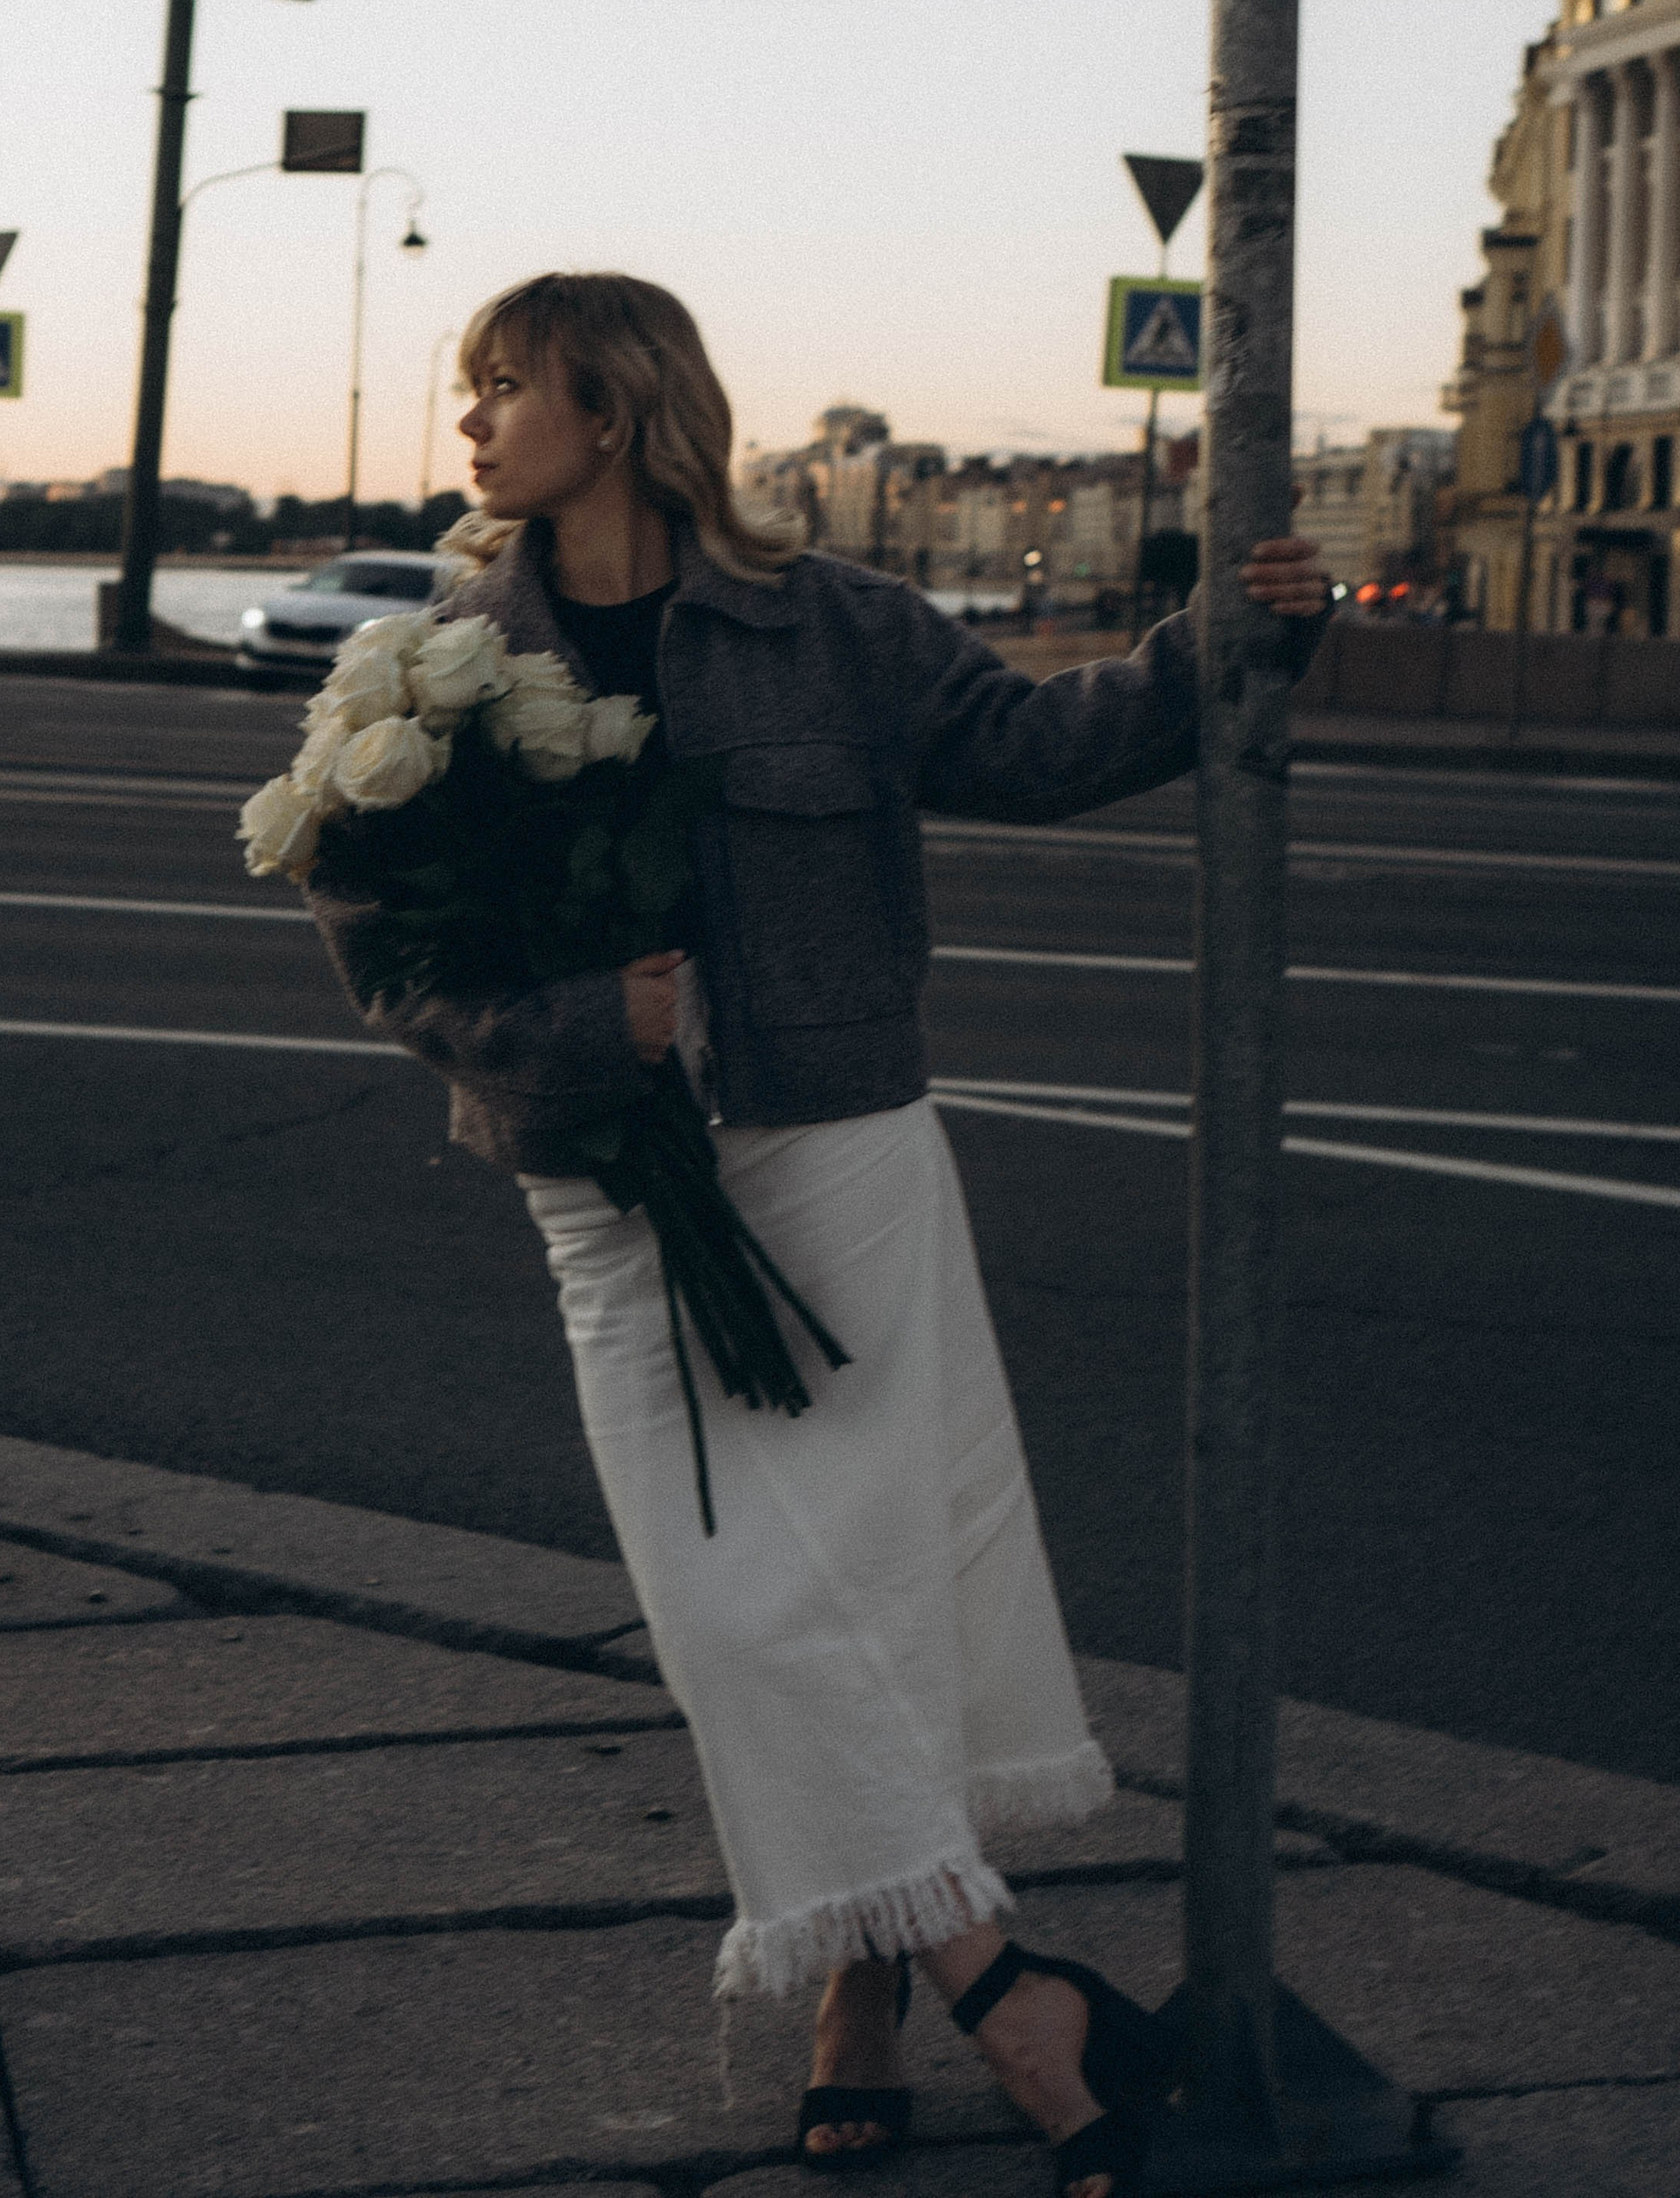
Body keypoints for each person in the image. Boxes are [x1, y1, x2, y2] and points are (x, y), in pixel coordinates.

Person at [306, 272, 1328, 2196]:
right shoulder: (437, 658)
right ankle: (1001, 1985)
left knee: (873, 1592)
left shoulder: (830, 625)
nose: (472, 423)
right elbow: (386, 943)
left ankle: (861, 1991)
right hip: (604, 1178)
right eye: (472, 388)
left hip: (836, 1148)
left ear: (615, 411)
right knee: (731, 1611)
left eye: (506, 384)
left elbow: (1034, 748)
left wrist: (1226, 640)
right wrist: (571, 1030)